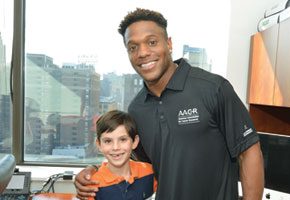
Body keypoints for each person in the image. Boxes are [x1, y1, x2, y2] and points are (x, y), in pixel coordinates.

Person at [74, 8, 264, 200]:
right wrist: (94, 171)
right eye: (133, 47)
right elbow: (133, 163)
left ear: (169, 43)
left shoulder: (213, 88)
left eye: (152, 42)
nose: (143, 53)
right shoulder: (137, 109)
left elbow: (248, 151)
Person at [87, 110, 156, 200]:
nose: (115, 147)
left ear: (134, 142)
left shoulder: (150, 172)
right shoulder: (92, 185)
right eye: (108, 141)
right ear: (99, 145)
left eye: (123, 139)